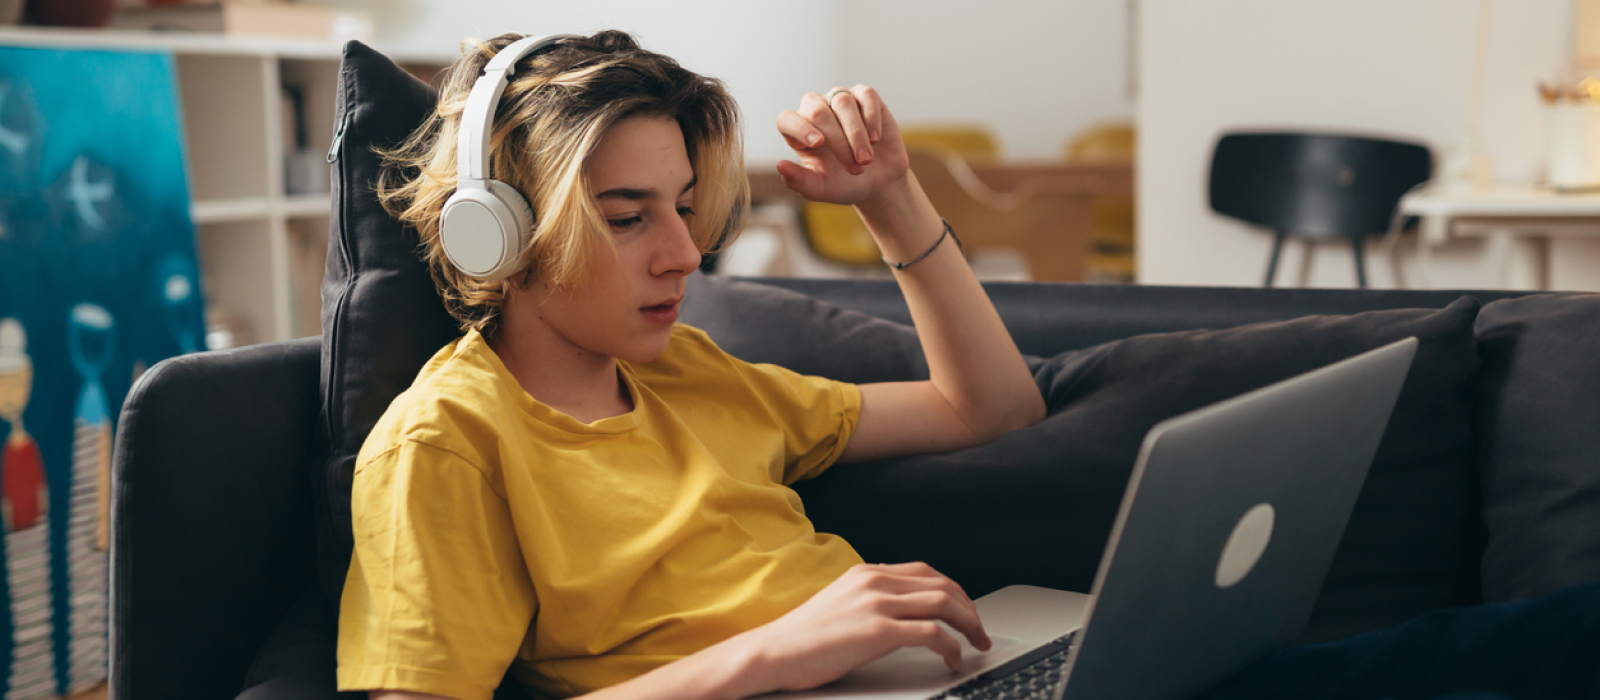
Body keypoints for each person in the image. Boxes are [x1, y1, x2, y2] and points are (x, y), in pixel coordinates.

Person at [337, 30, 1045, 700]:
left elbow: (988, 407)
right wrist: (773, 651)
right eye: (625, 217)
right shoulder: (443, 442)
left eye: (682, 206)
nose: (684, 254)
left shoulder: (684, 369)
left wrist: (892, 199)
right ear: (495, 233)